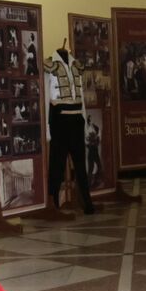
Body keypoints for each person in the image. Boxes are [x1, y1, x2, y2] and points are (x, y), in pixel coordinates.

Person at [43, 47, 95, 214]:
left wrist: (84, 121)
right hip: (59, 120)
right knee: (56, 164)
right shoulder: (49, 64)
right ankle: (54, 203)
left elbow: (81, 98)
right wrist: (47, 128)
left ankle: (87, 201)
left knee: (80, 164)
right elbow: (46, 97)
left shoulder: (76, 65)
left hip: (76, 120)